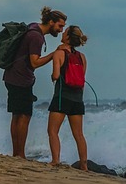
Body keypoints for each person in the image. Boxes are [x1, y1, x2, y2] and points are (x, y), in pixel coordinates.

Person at [3, 6, 67, 158]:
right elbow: (34, 62)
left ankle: (16, 153)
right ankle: (20, 155)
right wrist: (54, 55)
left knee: (17, 115)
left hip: (12, 76)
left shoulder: (32, 28)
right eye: (60, 26)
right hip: (20, 78)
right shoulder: (36, 37)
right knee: (24, 115)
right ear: (51, 22)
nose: (61, 30)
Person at [47, 25, 88, 171]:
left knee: (52, 130)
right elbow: (82, 80)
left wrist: (53, 77)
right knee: (78, 134)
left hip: (62, 97)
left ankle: (55, 160)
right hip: (78, 99)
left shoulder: (59, 53)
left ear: (68, 37)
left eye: (65, 32)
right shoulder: (82, 57)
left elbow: (56, 75)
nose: (62, 33)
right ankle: (84, 165)